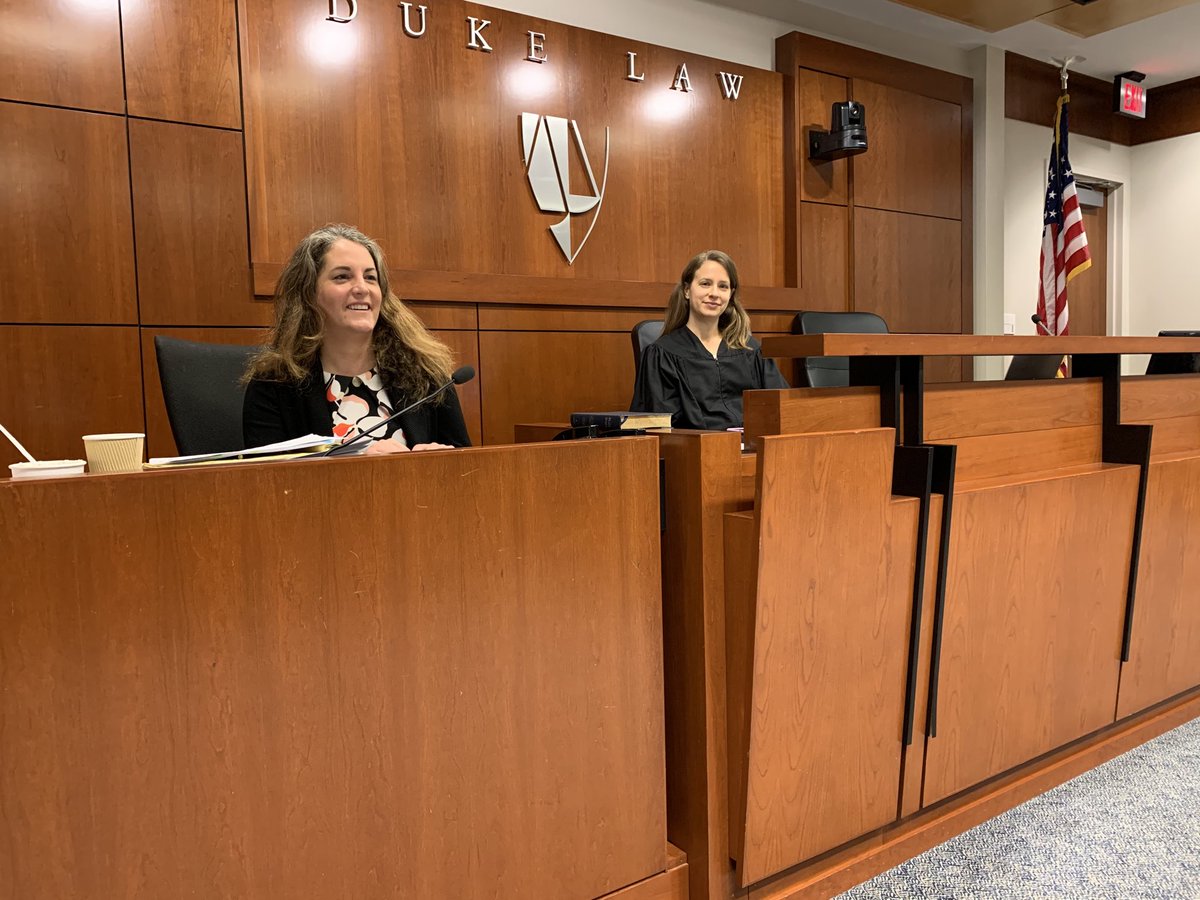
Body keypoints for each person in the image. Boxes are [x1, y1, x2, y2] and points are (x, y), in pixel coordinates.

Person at [243, 224, 470, 453]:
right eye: (342, 277)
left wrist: (440, 465)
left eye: (371, 278)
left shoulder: (426, 374)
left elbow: (468, 470)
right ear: (309, 294)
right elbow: (267, 482)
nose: (362, 288)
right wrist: (359, 470)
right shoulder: (274, 385)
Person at [630, 249, 788, 430]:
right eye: (705, 284)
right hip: (695, 452)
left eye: (723, 286)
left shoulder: (751, 350)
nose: (714, 293)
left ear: (730, 295)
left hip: (754, 450)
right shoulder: (662, 354)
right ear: (687, 290)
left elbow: (783, 407)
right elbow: (661, 426)